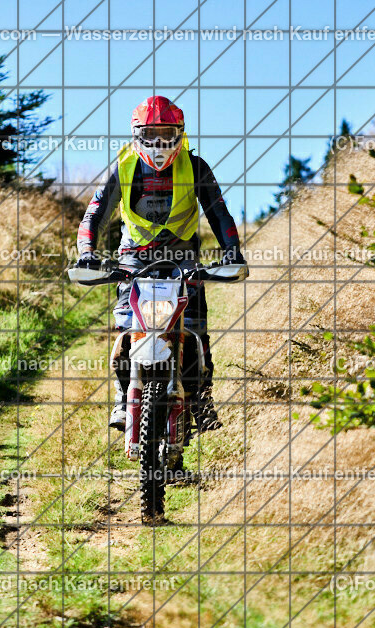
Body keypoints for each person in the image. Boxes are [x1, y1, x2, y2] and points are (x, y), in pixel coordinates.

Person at [74, 95, 245, 433]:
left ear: (180, 134)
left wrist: (232, 252)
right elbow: (95, 214)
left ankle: (201, 399)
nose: (158, 142)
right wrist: (87, 252)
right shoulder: (122, 168)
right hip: (134, 258)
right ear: (137, 135)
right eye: (150, 134)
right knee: (127, 327)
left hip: (183, 257)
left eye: (166, 133)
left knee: (195, 328)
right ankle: (124, 397)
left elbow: (218, 211)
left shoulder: (196, 167)